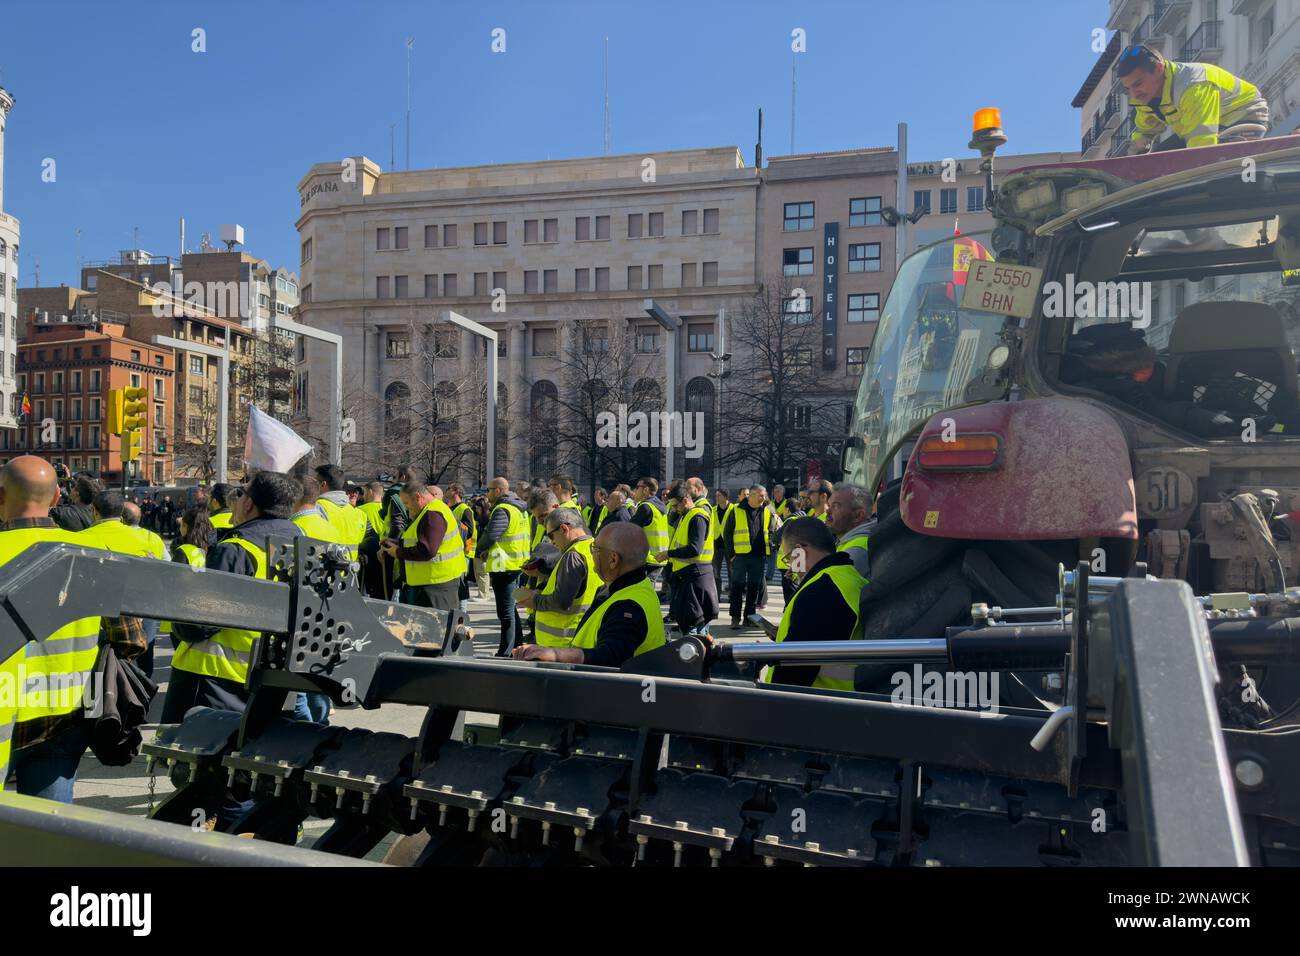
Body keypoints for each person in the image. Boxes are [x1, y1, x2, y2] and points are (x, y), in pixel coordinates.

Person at [0, 457, 112, 801]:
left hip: (5, 713)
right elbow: (131, 639)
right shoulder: (94, 554)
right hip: (65, 710)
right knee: (49, 834)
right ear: (56, 498)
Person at [514, 523, 666, 667]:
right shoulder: (638, 587)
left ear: (613, 560)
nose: (591, 553)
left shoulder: (627, 607)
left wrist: (555, 654)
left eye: (595, 549)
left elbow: (609, 656)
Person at [765, 516, 867, 691]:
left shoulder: (821, 590)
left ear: (799, 551)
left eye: (789, 558)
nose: (791, 567)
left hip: (817, 705)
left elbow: (795, 668)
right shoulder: (846, 577)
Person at [1116, 43, 1270, 153]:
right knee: (1158, 161)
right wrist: (1128, 163)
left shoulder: (1193, 86)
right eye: (1128, 88)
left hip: (1245, 117)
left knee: (1207, 162)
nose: (1134, 94)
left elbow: (1202, 144)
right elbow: (1145, 133)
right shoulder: (1144, 96)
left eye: (1138, 83)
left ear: (1158, 68)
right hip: (1210, 129)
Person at [79, 492, 167, 679]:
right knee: (144, 660)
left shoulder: (80, 539)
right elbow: (164, 570)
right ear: (121, 513)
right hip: (144, 610)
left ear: (94, 511)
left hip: (102, 620)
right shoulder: (149, 539)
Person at [515, 507, 603, 647]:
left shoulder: (573, 555)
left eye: (551, 535)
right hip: (580, 637)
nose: (551, 542)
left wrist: (534, 600)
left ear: (563, 529)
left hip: (561, 642)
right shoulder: (593, 547)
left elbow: (561, 602)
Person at [381, 481, 465, 612]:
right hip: (432, 584)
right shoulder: (431, 511)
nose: (406, 508)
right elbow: (420, 542)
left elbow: (427, 550)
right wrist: (396, 543)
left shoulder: (432, 514)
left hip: (435, 586)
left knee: (433, 629)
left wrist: (397, 552)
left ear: (418, 497)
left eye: (406, 503)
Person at [475, 477, 531, 657]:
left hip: (504, 566)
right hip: (515, 564)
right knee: (510, 610)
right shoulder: (518, 508)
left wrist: (480, 549)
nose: (487, 493)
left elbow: (491, 535)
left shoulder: (502, 508)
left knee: (505, 612)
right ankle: (517, 646)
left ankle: (505, 652)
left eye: (489, 489)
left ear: (498, 490)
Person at [656, 483, 718, 639]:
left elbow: (694, 549)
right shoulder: (687, 515)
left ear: (685, 501)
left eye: (675, 505)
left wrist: (668, 554)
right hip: (692, 575)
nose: (674, 509)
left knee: (695, 631)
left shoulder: (697, 517)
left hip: (696, 576)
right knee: (694, 626)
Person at [721, 485, 780, 629]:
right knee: (737, 588)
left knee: (754, 588)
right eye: (761, 495)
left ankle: (749, 617)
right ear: (751, 496)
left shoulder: (767, 510)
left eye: (764, 495)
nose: (763, 498)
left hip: (758, 556)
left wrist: (771, 546)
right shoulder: (736, 510)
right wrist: (732, 555)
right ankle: (735, 617)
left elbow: (773, 530)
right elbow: (727, 533)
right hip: (740, 556)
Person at [160, 507, 213, 647]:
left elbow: (171, 582)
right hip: (205, 612)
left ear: (186, 526)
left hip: (182, 613)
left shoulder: (184, 551)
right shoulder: (214, 549)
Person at [315, 464, 376, 561]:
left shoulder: (317, 507)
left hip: (323, 572)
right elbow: (372, 541)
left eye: (315, 483)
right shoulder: (360, 514)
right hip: (350, 572)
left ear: (323, 484)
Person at [630, 477, 670, 590]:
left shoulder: (646, 507)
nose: (635, 490)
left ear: (646, 489)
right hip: (659, 556)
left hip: (648, 557)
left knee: (645, 589)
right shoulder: (659, 506)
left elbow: (630, 528)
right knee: (648, 587)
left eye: (638, 487)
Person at [828, 484, 873, 580]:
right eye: (829, 505)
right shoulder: (850, 542)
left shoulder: (855, 553)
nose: (827, 511)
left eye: (835, 506)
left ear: (858, 516)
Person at [446, 483, 476, 616]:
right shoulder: (449, 507)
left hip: (464, 552)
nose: (446, 491)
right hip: (452, 552)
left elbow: (469, 531)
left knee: (461, 585)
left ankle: (462, 614)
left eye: (448, 489)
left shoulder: (465, 509)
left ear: (456, 491)